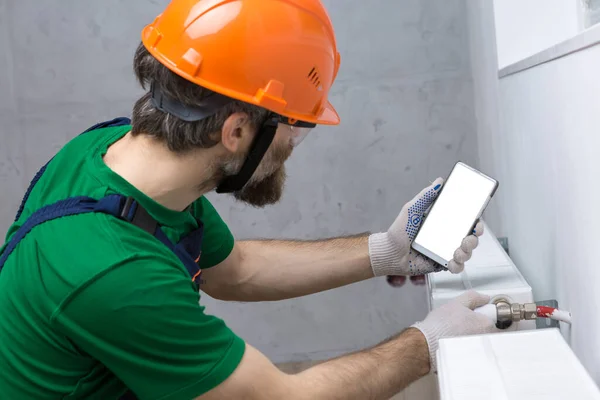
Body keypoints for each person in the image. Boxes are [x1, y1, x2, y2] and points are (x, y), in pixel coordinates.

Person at [0, 1, 497, 399]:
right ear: (236, 130)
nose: (289, 152)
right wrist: (429, 343)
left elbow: (232, 269)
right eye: (294, 133)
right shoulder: (114, 273)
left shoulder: (113, 154)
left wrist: (384, 251)